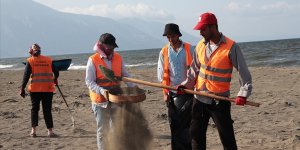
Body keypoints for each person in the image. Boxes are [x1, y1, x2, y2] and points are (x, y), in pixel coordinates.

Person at [177, 12, 252, 149]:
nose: (200, 32)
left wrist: (243, 94)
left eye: (203, 29)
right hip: (199, 98)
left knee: (227, 139)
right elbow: (194, 70)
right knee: (196, 135)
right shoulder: (200, 45)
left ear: (213, 27)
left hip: (219, 101)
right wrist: (185, 85)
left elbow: (244, 74)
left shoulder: (231, 47)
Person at [85, 33, 136, 150]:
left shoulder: (118, 57)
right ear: (101, 45)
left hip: (117, 98)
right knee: (103, 130)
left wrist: (133, 86)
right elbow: (89, 82)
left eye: (113, 47)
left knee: (117, 128)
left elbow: (125, 75)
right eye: (108, 47)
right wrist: (102, 91)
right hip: (100, 101)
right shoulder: (93, 60)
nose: (111, 50)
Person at [157, 23, 194, 150]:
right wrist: (165, 93)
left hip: (189, 93)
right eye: (168, 37)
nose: (170, 39)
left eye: (172, 36)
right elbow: (162, 76)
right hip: (172, 94)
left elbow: (197, 71)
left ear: (178, 35)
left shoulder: (189, 49)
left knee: (189, 127)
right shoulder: (164, 52)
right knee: (175, 126)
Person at [20, 43, 59, 138]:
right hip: (48, 89)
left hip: (35, 89)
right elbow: (56, 73)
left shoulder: (30, 60)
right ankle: (50, 131)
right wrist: (55, 79)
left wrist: (22, 88)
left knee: (35, 109)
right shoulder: (48, 60)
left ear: (31, 51)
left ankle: (33, 131)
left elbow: (26, 76)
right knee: (47, 110)